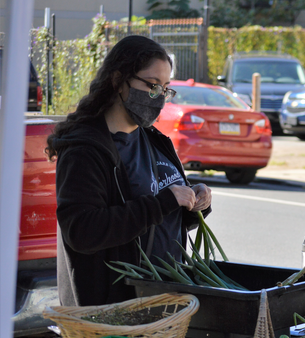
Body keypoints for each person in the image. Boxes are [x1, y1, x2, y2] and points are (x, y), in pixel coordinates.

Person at [46, 35, 212, 307]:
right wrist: (164, 202)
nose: (159, 97)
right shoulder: (85, 149)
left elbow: (164, 219)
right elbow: (82, 231)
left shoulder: (155, 140)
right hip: (113, 312)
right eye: (152, 85)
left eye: (165, 88)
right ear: (118, 81)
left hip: (162, 302)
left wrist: (195, 202)